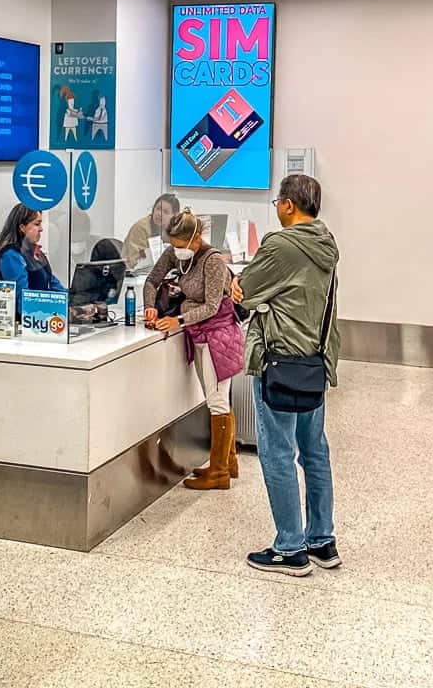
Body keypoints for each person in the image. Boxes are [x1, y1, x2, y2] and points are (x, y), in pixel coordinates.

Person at [232, 175, 341, 577]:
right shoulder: (327, 242)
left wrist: (238, 286)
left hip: (278, 360)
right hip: (313, 361)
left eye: (278, 201)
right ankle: (321, 540)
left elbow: (245, 289)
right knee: (314, 451)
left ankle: (290, 548)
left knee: (277, 452)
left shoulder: (281, 245)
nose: (276, 207)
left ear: (289, 206)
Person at [144, 209, 244, 490]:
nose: (176, 252)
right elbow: (152, 279)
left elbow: (212, 306)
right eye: (173, 245)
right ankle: (228, 462)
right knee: (218, 398)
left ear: (196, 238)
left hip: (218, 336)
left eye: (180, 245)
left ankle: (219, 472)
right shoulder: (175, 253)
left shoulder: (212, 261)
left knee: (217, 401)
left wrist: (177, 320)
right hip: (199, 335)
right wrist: (150, 304)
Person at [0, 205, 66, 305]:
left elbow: (53, 284)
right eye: (37, 224)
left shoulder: (37, 253)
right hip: (26, 317)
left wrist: (73, 299)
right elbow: (22, 300)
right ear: (22, 227)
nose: (41, 229)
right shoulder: (11, 256)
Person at [122, 193, 180, 273]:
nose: (159, 214)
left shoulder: (175, 229)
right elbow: (135, 261)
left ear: (175, 216)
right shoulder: (141, 227)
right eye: (158, 209)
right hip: (135, 275)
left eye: (165, 212)